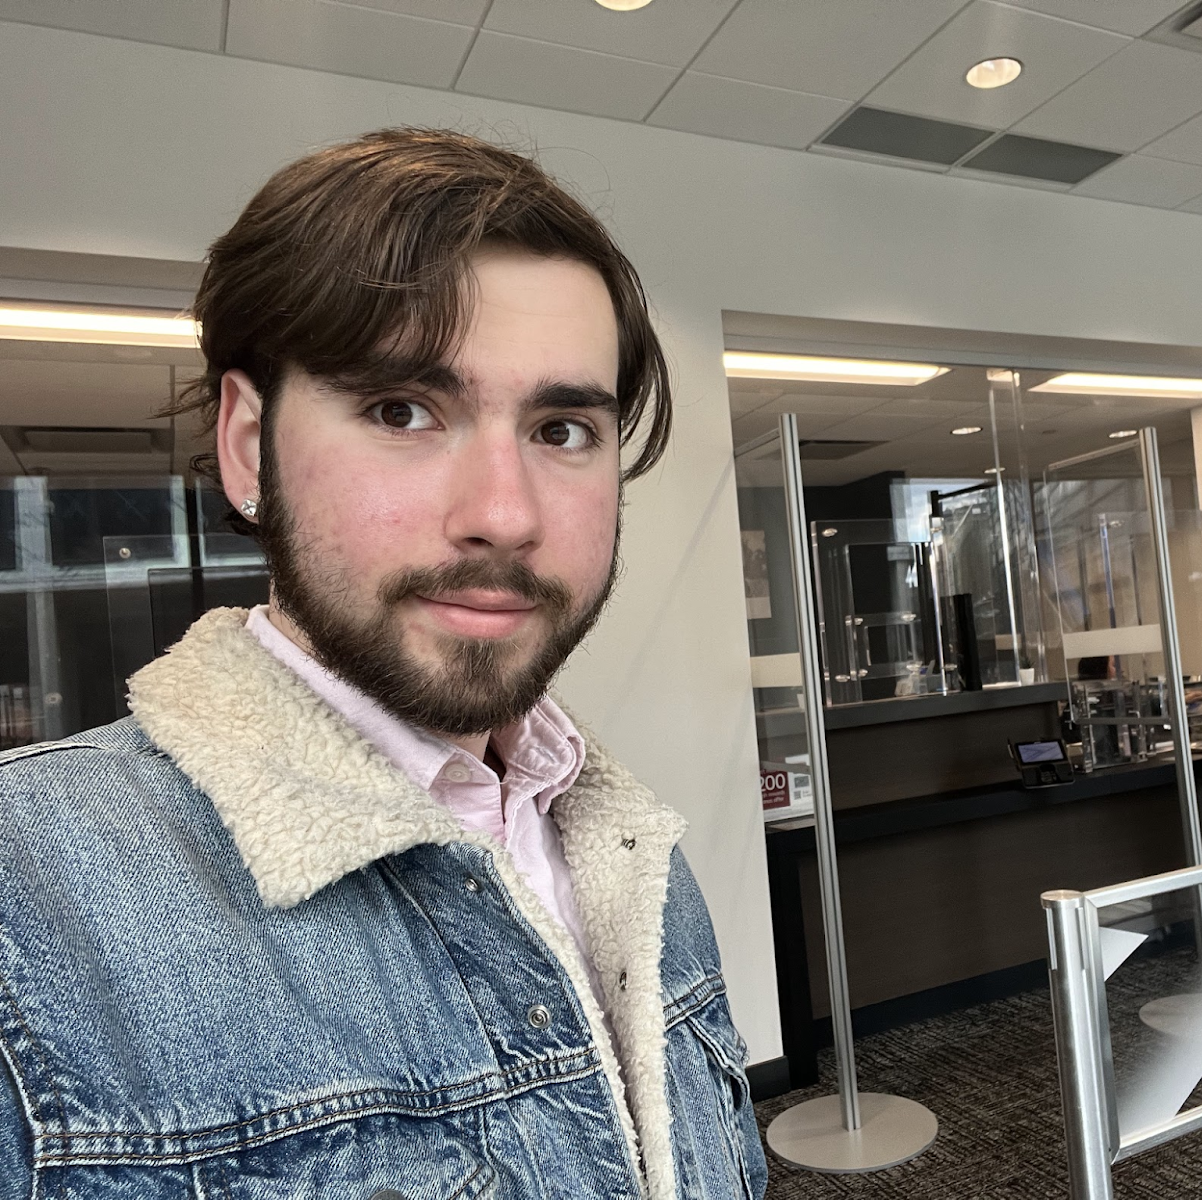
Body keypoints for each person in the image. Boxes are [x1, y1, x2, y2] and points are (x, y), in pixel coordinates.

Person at [0, 129, 765, 1200]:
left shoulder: (632, 851)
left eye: (562, 429)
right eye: (402, 411)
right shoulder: (29, 911)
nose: (504, 514)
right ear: (245, 446)